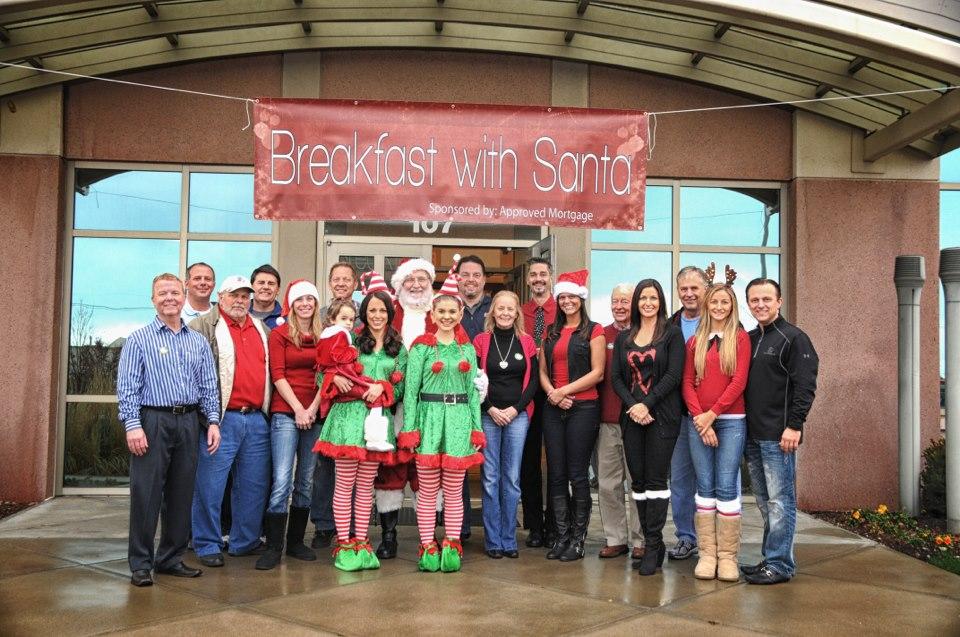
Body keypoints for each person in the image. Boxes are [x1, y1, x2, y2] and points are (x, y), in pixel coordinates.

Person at [116, 273, 220, 587]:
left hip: (189, 422)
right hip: (152, 421)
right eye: (163, 293)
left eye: (175, 292)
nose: (170, 298)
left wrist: (212, 420)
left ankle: (170, 558)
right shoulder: (139, 339)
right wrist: (133, 425)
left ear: (184, 295)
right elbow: (128, 389)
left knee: (180, 495)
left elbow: (208, 386)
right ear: (153, 300)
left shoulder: (197, 341)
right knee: (146, 495)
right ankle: (141, 564)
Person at [313, 277, 408, 571]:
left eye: (382, 311)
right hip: (348, 421)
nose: (377, 316)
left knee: (366, 486)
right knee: (344, 484)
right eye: (371, 311)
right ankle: (344, 543)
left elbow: (402, 387)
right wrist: (334, 378)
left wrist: (383, 387)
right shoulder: (350, 340)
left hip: (377, 425)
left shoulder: (399, 348)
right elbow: (321, 373)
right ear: (364, 315)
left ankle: (362, 541)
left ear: (390, 314)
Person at [397, 273, 483, 573]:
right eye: (441, 312)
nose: (446, 317)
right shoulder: (421, 348)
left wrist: (476, 427)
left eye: (452, 312)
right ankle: (427, 544)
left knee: (455, 490)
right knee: (429, 490)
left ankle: (452, 543)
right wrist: (410, 428)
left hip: (459, 419)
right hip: (430, 418)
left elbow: (473, 393)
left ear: (460, 315)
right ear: (432, 315)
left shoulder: (468, 350)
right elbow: (410, 391)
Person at [188, 275, 272, 568]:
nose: (240, 301)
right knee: (210, 486)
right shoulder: (201, 327)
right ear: (220, 298)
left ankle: (244, 542)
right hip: (221, 421)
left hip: (256, 419)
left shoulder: (261, 328)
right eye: (233, 295)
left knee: (253, 486)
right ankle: (207, 543)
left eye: (244, 296)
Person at [741, 278, 818, 585]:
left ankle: (780, 564)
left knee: (780, 501)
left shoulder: (794, 339)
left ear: (779, 301)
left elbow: (806, 387)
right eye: (754, 300)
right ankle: (769, 557)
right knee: (765, 502)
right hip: (753, 436)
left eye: (766, 299)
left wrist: (795, 425)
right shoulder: (749, 338)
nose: (760, 305)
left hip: (779, 436)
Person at [611, 279, 685, 576]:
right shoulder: (625, 338)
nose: (648, 303)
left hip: (661, 418)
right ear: (636, 303)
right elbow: (617, 378)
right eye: (643, 298)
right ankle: (651, 542)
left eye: (653, 297)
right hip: (632, 418)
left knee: (656, 481)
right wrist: (633, 405)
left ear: (661, 301)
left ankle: (653, 544)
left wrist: (648, 404)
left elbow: (673, 375)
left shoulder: (672, 334)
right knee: (638, 483)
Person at [681, 280, 750, 581]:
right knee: (705, 486)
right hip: (698, 421)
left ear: (732, 306)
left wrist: (712, 414)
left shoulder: (741, 338)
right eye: (715, 302)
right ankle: (707, 554)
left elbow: (738, 382)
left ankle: (727, 557)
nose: (719, 307)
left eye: (725, 302)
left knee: (726, 485)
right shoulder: (695, 341)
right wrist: (700, 417)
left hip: (731, 420)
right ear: (707, 305)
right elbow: (686, 382)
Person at [373, 257, 437, 559]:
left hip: (430, 409)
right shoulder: (387, 316)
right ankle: (388, 536)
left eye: (422, 279)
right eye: (409, 280)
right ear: (399, 285)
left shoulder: (442, 314)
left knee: (427, 469)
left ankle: (429, 538)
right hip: (392, 406)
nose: (416, 285)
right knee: (390, 468)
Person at [538, 270, 605, 562]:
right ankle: (561, 537)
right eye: (562, 297)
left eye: (571, 297)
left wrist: (564, 391)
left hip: (584, 408)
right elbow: (542, 371)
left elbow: (597, 372)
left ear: (581, 298)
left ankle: (578, 539)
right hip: (553, 408)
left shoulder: (595, 330)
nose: (567, 302)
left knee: (578, 475)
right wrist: (553, 393)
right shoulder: (549, 333)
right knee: (556, 474)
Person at [258, 279, 324, 570]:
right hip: (287, 412)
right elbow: (278, 374)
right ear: (291, 304)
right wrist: (298, 408)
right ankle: (274, 546)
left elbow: (329, 375)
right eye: (300, 299)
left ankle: (296, 542)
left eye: (310, 299)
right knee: (282, 479)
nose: (305, 304)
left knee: (306, 480)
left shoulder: (325, 336)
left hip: (315, 412)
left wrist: (312, 408)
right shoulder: (280, 334)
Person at [473, 291, 538, 559]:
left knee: (511, 479)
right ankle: (493, 540)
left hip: (517, 416)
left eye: (510, 308)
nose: (505, 313)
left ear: (517, 313)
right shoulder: (481, 341)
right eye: (500, 308)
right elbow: (474, 380)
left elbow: (533, 381)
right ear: (493, 311)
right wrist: (490, 408)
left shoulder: (527, 341)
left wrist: (515, 409)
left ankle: (509, 539)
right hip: (488, 415)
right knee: (489, 478)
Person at [311, 262, 359, 549]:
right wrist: (330, 377)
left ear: (354, 283)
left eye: (346, 279)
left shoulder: (362, 318)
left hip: (355, 407)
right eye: (336, 279)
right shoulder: (322, 320)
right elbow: (320, 363)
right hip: (328, 406)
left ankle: (352, 526)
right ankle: (323, 524)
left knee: (354, 468)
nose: (341, 283)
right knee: (325, 467)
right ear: (330, 283)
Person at [596, 284, 644, 561]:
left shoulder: (645, 334)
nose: (620, 306)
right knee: (608, 484)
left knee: (638, 483)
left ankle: (641, 539)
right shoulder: (602, 334)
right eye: (615, 301)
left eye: (625, 301)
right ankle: (616, 538)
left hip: (638, 422)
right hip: (607, 421)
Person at [667, 265, 708, 562]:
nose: (689, 293)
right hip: (678, 416)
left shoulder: (723, 322)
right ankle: (686, 537)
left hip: (711, 416)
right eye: (684, 289)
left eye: (695, 288)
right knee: (680, 481)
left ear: (705, 290)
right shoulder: (669, 326)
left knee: (710, 481)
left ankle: (712, 541)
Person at [519, 257, 556, 547]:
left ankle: (556, 521)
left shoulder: (566, 309)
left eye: (543, 274)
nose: (538, 279)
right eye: (534, 275)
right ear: (529, 280)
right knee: (529, 461)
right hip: (528, 394)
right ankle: (535, 525)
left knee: (556, 462)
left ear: (550, 278)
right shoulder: (520, 312)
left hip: (557, 393)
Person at [454, 254, 491, 540]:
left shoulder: (496, 309)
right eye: (464, 274)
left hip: (491, 399)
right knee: (458, 465)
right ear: (457, 278)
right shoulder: (447, 308)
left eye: (476, 274)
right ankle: (461, 528)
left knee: (490, 468)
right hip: (455, 399)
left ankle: (493, 533)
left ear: (483, 279)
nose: (470, 279)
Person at [249, 264, 283, 329]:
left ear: (278, 290)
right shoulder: (240, 315)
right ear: (252, 287)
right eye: (261, 283)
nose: (266, 287)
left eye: (271, 283)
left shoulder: (289, 319)